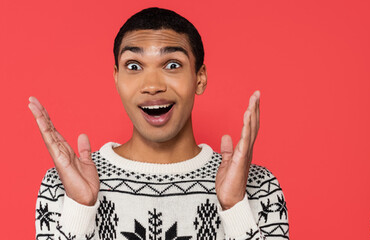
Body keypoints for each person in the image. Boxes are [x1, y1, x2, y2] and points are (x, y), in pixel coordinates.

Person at [31, 8, 288, 240]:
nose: (152, 86)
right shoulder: (62, 185)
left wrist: (234, 206)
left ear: (199, 78)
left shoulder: (257, 186)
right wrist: (80, 208)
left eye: (172, 65)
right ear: (117, 78)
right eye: (134, 66)